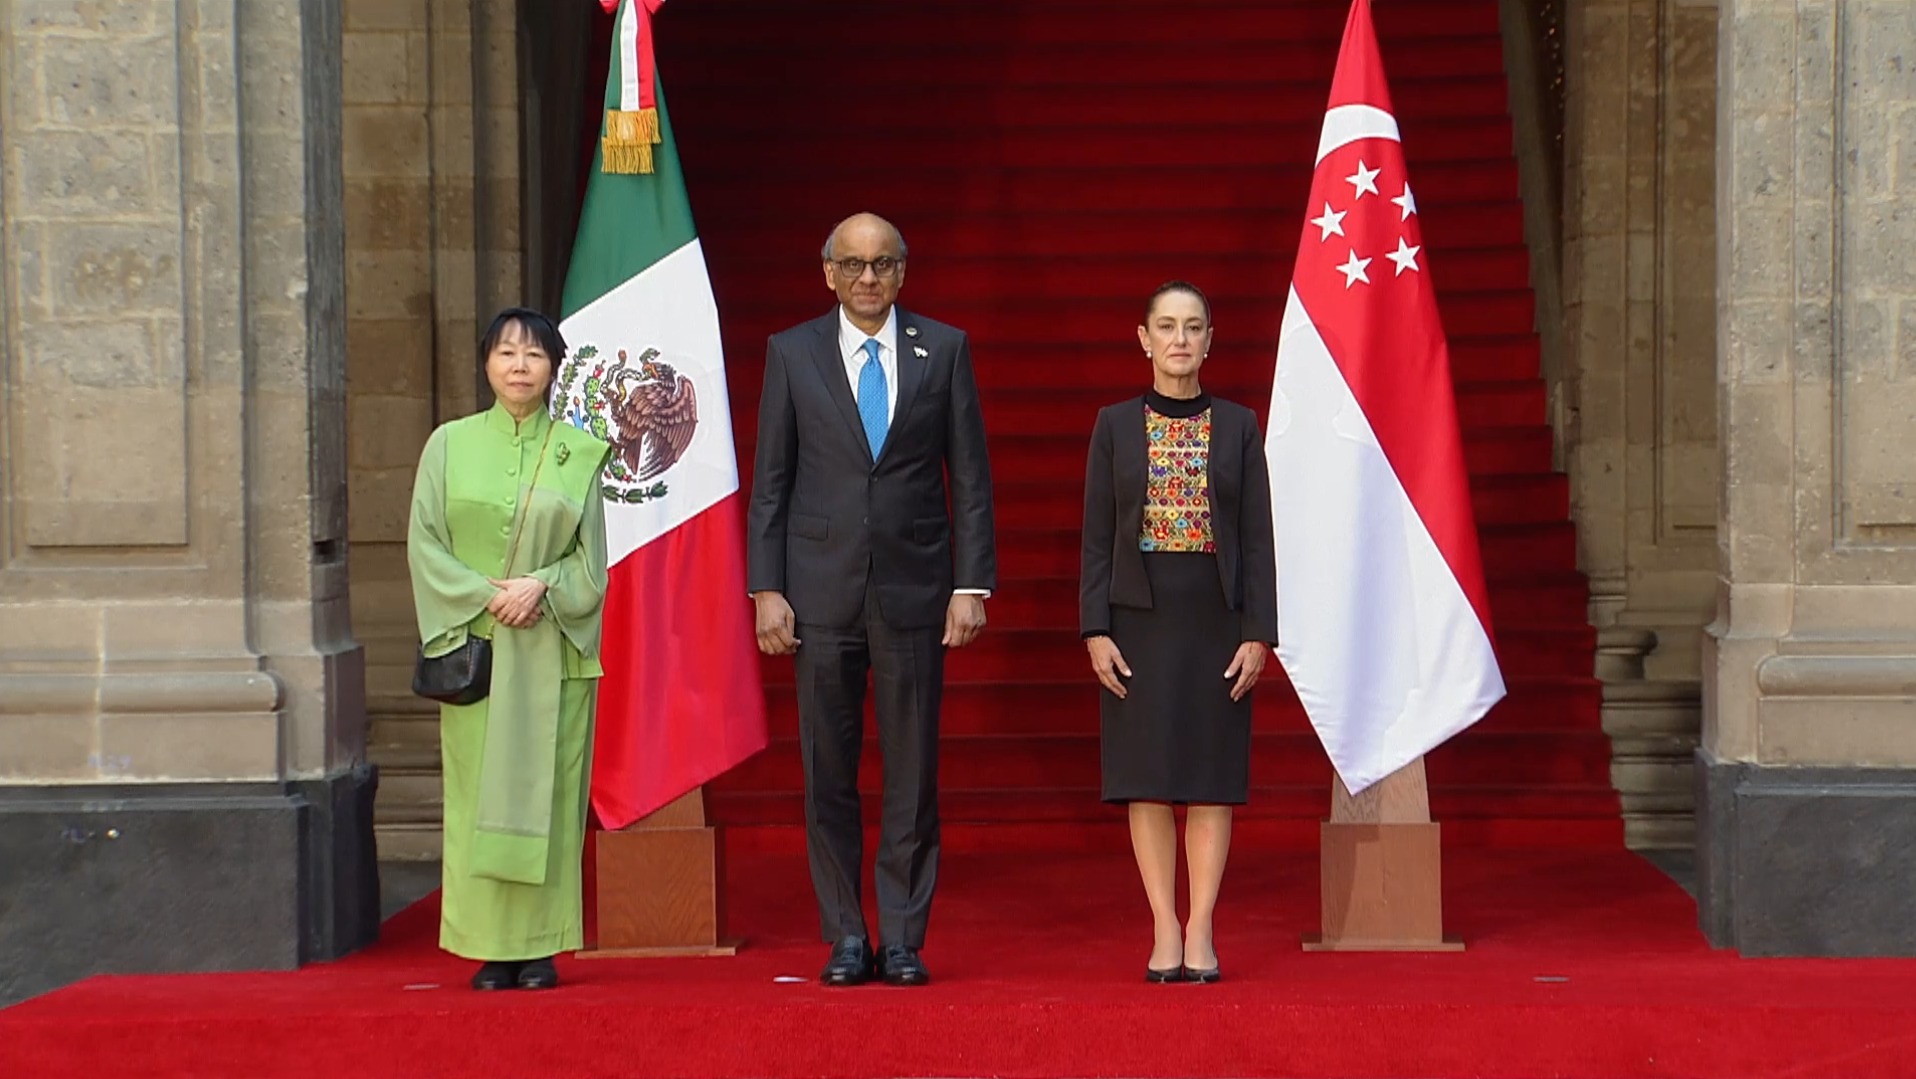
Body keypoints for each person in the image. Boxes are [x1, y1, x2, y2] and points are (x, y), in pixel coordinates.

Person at [746, 212, 997, 987]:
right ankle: (848, 934)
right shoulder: (792, 352)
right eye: (852, 264)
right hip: (817, 592)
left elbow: (970, 476)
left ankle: (905, 935)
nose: (866, 277)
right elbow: (771, 481)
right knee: (827, 769)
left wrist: (970, 583)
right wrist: (766, 588)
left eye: (881, 263)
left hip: (915, 588)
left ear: (901, 272)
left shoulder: (943, 349)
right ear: (828, 273)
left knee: (912, 772)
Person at [406, 307, 613, 991]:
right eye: (506, 352)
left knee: (550, 797)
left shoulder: (579, 454)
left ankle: (541, 947)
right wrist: (484, 595)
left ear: (554, 367)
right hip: (478, 651)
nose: (519, 365)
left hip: (552, 649)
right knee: (477, 799)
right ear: (486, 363)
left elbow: (591, 565)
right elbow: (425, 544)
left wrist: (541, 584)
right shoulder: (448, 445)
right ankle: (489, 947)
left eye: (534, 354)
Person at [1079, 281, 1278, 984]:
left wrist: (1259, 631)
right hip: (1138, 620)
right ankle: (1165, 921)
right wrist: (1094, 627)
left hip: (1216, 621)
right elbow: (1096, 537)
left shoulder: (1240, 425)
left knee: (1210, 781)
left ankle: (1202, 926)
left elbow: (1258, 537)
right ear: (1144, 339)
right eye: (1166, 326)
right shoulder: (1113, 425)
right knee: (1149, 781)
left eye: (1193, 327)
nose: (1180, 339)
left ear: (1210, 340)